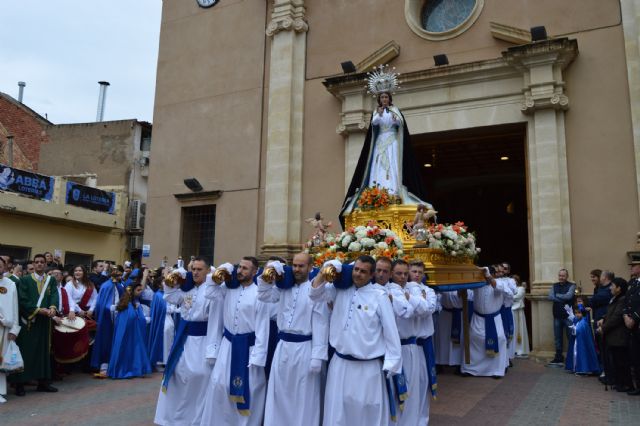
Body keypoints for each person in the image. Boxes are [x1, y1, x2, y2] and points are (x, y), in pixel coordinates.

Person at [310, 255, 402, 426]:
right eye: (356, 269)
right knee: (337, 412)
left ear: (372, 274)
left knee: (367, 412)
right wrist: (325, 270)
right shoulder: (339, 289)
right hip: (340, 365)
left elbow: (391, 332)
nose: (358, 274)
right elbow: (314, 294)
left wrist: (392, 363)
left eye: (363, 271)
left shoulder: (379, 296)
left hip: (368, 368)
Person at [339, 65, 429, 222]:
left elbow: (401, 124)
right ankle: (378, 192)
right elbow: (374, 126)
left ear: (390, 98)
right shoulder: (376, 112)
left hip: (393, 142)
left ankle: (393, 191)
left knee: (392, 165)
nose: (384, 100)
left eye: (386, 97)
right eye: (382, 98)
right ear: (379, 99)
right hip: (380, 142)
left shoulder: (395, 110)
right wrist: (379, 115)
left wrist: (395, 120)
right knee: (378, 165)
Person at [257, 253, 329, 426]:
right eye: (295, 265)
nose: (297, 269)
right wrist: (269, 272)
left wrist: (317, 356)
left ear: (311, 267)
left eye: (301, 266)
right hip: (282, 347)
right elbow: (263, 295)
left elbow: (321, 322)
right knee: (280, 392)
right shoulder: (283, 288)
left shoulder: (316, 290)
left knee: (303, 395)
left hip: (304, 348)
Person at [200, 257, 270, 426]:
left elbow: (262, 327)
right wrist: (221, 271)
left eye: (245, 269)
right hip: (228, 346)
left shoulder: (259, 293)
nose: (240, 271)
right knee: (219, 385)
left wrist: (258, 356)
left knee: (250, 389)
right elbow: (209, 292)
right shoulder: (227, 289)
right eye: (239, 268)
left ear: (254, 272)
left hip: (249, 349)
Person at [154, 258, 219, 426]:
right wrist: (174, 278)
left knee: (200, 376)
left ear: (207, 271)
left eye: (199, 269)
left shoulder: (212, 291)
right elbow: (169, 296)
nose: (195, 272)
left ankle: (197, 419)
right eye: (193, 269)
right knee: (177, 374)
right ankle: (175, 418)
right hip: (184, 340)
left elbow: (215, 322)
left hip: (203, 341)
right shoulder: (187, 289)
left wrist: (212, 350)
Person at [387, 259, 432, 425]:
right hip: (393, 347)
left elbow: (424, 309)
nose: (403, 277)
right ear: (392, 274)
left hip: (410, 346)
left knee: (411, 389)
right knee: (393, 389)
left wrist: (409, 298)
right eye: (399, 273)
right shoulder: (386, 289)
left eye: (406, 274)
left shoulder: (414, 290)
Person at [10, 254, 59, 396]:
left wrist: (53, 308)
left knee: (43, 351)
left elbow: (54, 295)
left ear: (45, 265)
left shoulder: (51, 280)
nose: (39, 264)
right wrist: (37, 310)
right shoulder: (24, 280)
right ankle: (19, 384)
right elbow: (22, 300)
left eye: (42, 262)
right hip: (29, 321)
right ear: (33, 264)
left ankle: (43, 383)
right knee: (25, 352)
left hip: (44, 322)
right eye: (36, 262)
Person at [461, 266, 508, 378]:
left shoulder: (500, 283)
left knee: (500, 339)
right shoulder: (477, 284)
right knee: (472, 340)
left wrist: (489, 277)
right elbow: (465, 291)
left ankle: (496, 370)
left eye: (487, 275)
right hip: (478, 319)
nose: (485, 278)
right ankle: (471, 369)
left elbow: (499, 289)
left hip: (494, 319)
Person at [107, 277, 152, 379]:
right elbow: (128, 320)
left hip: (133, 333)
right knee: (125, 349)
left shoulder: (134, 303)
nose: (140, 292)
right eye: (138, 290)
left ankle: (133, 368)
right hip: (127, 333)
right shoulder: (127, 305)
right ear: (131, 291)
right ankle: (123, 369)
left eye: (141, 290)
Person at [597, 277, 632, 392]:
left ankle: (626, 384)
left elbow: (616, 318)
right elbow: (609, 313)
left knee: (622, 361)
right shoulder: (615, 298)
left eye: (613, 286)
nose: (611, 288)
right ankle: (618, 382)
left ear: (619, 288)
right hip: (613, 336)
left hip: (619, 336)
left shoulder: (622, 300)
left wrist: (603, 327)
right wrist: (603, 318)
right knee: (616, 361)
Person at [91, 265, 124, 378]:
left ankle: (114, 364)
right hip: (106, 319)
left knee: (115, 340)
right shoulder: (106, 286)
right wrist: (112, 307)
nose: (118, 275)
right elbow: (102, 303)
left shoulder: (119, 286)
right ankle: (104, 366)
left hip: (117, 317)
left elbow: (122, 298)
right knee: (105, 340)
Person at [0, 257, 20, 404]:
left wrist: (14, 329)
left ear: (5, 267)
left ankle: (0, 391)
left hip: (4, 328)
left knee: (1, 360)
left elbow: (15, 307)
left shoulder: (10, 284)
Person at [547, 269, 576, 365]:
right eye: (560, 275)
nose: (561, 277)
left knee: (570, 337)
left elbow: (569, 296)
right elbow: (550, 296)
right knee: (557, 338)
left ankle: (572, 357)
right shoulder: (554, 285)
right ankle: (558, 357)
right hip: (557, 316)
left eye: (563, 276)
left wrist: (557, 295)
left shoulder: (572, 285)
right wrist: (562, 298)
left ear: (567, 276)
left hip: (568, 317)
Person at [564, 303, 599, 375]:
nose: (577, 314)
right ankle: (576, 367)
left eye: (579, 313)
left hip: (581, 343)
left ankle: (583, 368)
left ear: (582, 313)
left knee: (582, 354)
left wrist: (574, 328)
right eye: (576, 313)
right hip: (577, 342)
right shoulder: (578, 320)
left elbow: (579, 330)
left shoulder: (584, 322)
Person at [623, 259, 640, 395]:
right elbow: (626, 301)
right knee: (634, 356)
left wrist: (634, 318)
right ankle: (637, 385)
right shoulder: (632, 283)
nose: (631, 268)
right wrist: (625, 316)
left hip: (637, 323)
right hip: (630, 325)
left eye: (634, 266)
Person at [511, 275, 529, 358]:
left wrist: (508, 296)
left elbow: (518, 297)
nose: (514, 282)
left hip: (518, 311)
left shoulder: (521, 288)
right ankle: (513, 349)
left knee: (519, 329)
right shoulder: (510, 288)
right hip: (511, 311)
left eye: (515, 280)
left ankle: (520, 349)